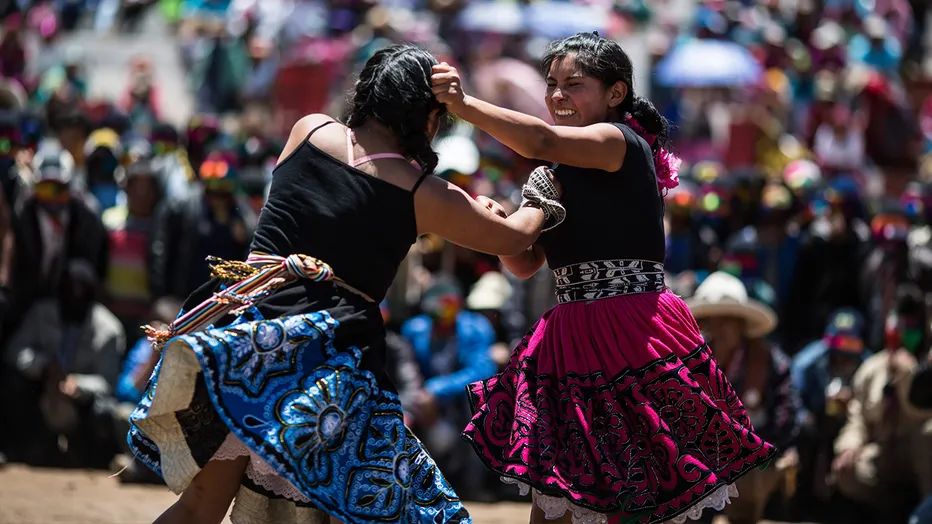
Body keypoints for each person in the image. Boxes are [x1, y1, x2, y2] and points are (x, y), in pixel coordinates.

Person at [127, 44, 562, 524]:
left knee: (199, 506)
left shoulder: (309, 129)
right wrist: (545, 190)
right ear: (427, 115)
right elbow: (516, 240)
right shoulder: (421, 191)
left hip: (247, 335)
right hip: (324, 358)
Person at [432, 32, 777, 524]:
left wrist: (462, 105)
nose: (556, 96)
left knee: (641, 492)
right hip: (571, 336)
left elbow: (539, 138)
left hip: (630, 329)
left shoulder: (619, 142)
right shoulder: (557, 172)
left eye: (574, 85)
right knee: (559, 502)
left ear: (616, 94)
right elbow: (525, 260)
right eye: (551, 84)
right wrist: (493, 216)